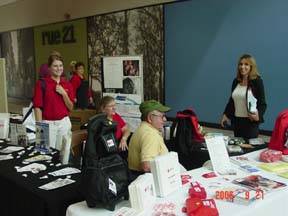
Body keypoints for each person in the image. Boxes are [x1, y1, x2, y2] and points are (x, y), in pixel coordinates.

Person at [33, 52, 75, 161]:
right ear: (49, 68)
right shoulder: (42, 84)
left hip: (64, 123)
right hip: (48, 124)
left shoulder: (67, 85)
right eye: (55, 66)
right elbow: (37, 106)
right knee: (44, 155)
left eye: (60, 66)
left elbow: (70, 107)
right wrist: (40, 128)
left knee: (62, 155)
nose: (58, 68)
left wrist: (64, 94)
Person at [221, 54, 267, 140]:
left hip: (250, 123)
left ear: (251, 67)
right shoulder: (236, 81)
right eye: (240, 64)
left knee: (249, 149)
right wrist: (225, 114)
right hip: (237, 122)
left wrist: (258, 115)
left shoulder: (257, 81)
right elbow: (232, 100)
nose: (242, 67)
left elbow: (263, 103)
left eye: (246, 64)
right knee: (238, 147)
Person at [128, 100, 171, 174]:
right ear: (150, 118)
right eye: (162, 116)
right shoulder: (150, 135)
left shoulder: (142, 128)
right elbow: (147, 166)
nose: (165, 119)